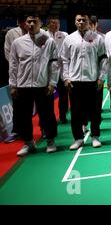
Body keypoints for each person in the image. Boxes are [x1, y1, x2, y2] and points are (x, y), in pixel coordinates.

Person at [9, 14, 59, 155]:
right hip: (23, 86)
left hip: (43, 85)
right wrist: (13, 85)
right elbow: (13, 65)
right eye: (29, 22)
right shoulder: (17, 43)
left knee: (47, 114)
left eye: (34, 21)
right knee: (23, 116)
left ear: (40, 23)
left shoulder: (48, 41)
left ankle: (50, 140)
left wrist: (52, 83)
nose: (31, 24)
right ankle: (28, 143)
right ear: (25, 23)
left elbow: (54, 64)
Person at [61, 12, 108, 149]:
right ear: (75, 22)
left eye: (84, 20)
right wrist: (66, 77)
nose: (81, 22)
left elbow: (103, 59)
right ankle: (78, 139)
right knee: (75, 112)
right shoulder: (69, 39)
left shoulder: (97, 38)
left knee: (95, 111)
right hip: (74, 81)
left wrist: (101, 78)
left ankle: (95, 136)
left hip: (93, 81)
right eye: (78, 20)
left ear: (88, 22)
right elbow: (64, 60)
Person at [3, 11, 29, 143]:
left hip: (35, 75)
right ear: (20, 23)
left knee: (40, 104)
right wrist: (20, 66)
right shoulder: (11, 33)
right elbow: (8, 53)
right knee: (18, 104)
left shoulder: (39, 33)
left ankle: (44, 130)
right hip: (19, 74)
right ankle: (16, 131)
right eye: (26, 22)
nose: (28, 24)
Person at [46, 15, 69, 124]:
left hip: (62, 70)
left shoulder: (65, 35)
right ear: (48, 24)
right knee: (48, 97)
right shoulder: (44, 36)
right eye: (53, 22)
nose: (56, 25)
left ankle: (63, 115)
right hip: (48, 71)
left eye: (57, 23)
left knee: (64, 95)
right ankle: (49, 118)